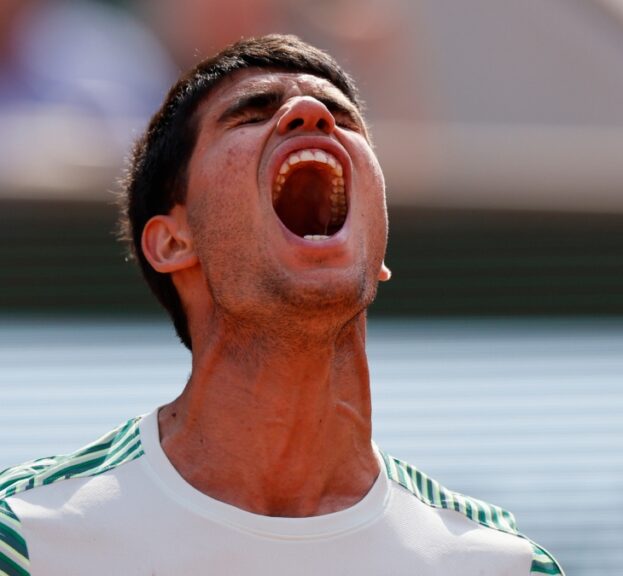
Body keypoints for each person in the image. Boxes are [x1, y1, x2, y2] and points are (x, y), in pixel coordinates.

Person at [0, 35, 562, 576]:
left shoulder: (505, 565)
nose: (309, 114)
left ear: (379, 247)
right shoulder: (24, 537)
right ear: (174, 241)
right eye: (251, 113)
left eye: (341, 117)